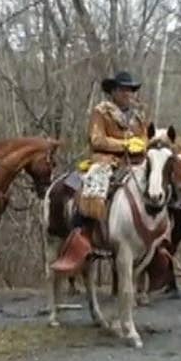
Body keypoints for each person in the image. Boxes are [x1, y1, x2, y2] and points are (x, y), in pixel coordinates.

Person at [51, 71, 149, 274]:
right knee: (94, 187)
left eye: (130, 90)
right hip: (106, 159)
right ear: (113, 91)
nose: (127, 93)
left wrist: (142, 145)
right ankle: (83, 235)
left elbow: (144, 138)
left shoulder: (139, 115)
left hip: (136, 161)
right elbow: (96, 139)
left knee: (157, 182)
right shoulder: (101, 111)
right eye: (123, 89)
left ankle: (157, 240)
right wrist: (125, 145)